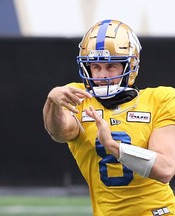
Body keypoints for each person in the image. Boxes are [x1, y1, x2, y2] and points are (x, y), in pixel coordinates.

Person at [43, 19, 175, 216]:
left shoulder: (160, 100)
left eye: (110, 66)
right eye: (96, 67)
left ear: (130, 66)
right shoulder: (80, 97)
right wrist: (52, 101)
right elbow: (59, 131)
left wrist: (113, 146)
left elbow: (165, 169)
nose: (102, 75)